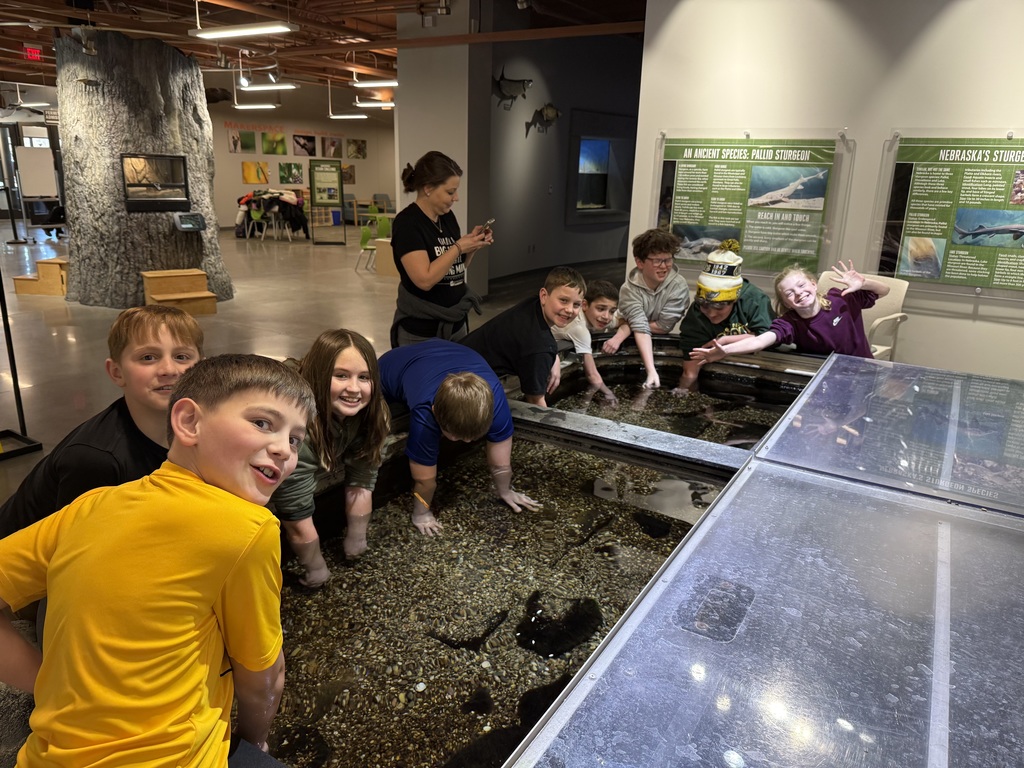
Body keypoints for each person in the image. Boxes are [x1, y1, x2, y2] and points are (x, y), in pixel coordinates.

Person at [0, 354, 315, 766]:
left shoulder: (92, 505)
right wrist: (254, 744)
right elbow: (263, 676)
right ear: (189, 422)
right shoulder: (248, 527)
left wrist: (48, 683)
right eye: (262, 423)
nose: (283, 450)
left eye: (295, 439)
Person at [0, 305, 204, 540]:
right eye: (148, 357)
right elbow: (76, 557)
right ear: (116, 372)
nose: (169, 369)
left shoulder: (202, 428)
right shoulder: (97, 461)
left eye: (181, 357)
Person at [379, 339, 539, 536]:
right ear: (435, 412)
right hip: (391, 366)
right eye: (454, 435)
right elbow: (424, 481)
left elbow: (501, 465)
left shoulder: (496, 403)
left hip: (448, 351)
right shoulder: (425, 414)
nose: (465, 442)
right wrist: (421, 512)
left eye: (473, 437)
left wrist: (505, 491)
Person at [270, 329, 390, 587]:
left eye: (364, 377)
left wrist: (357, 538)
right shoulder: (295, 426)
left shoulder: (372, 411)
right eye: (341, 375)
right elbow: (295, 510)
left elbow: (363, 475)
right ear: (320, 375)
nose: (354, 389)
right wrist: (316, 568)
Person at [690, 260, 890, 365]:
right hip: (823, 375)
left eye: (802, 285)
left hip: (861, 368)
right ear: (786, 302)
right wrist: (725, 350)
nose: (799, 293)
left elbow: (884, 291)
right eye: (790, 293)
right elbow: (760, 340)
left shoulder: (842, 298)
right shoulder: (789, 323)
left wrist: (864, 283)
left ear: (813, 284)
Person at [390, 150, 494, 347]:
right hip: (421, 332)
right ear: (428, 188)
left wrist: (472, 246)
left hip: (455, 323)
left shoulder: (447, 218)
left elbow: (456, 267)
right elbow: (425, 280)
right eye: (450, 192)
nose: (456, 198)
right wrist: (458, 247)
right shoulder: (407, 224)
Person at [462, 266, 586, 407]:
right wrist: (549, 353)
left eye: (576, 304)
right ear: (544, 296)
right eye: (563, 300)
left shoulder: (533, 305)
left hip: (458, 355)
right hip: (461, 383)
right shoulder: (539, 347)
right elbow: (535, 402)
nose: (570, 310)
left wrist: (554, 357)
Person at [671, 240, 774, 395]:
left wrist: (724, 342)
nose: (711, 313)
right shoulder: (696, 315)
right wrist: (684, 393)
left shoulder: (755, 301)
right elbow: (690, 372)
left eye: (720, 307)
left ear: (735, 299)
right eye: (705, 306)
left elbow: (768, 337)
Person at [602, 229, 691, 389]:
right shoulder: (629, 289)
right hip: (615, 326)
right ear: (640, 262)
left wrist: (626, 328)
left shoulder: (678, 287)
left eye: (668, 260)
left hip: (633, 330)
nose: (664, 267)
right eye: (657, 261)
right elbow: (641, 326)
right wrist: (651, 370)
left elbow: (663, 327)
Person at [551, 279, 620, 403]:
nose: (607, 317)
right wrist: (609, 394)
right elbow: (592, 375)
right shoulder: (579, 329)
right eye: (601, 309)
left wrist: (617, 339)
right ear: (584, 305)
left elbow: (626, 323)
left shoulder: (600, 317)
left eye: (612, 311)